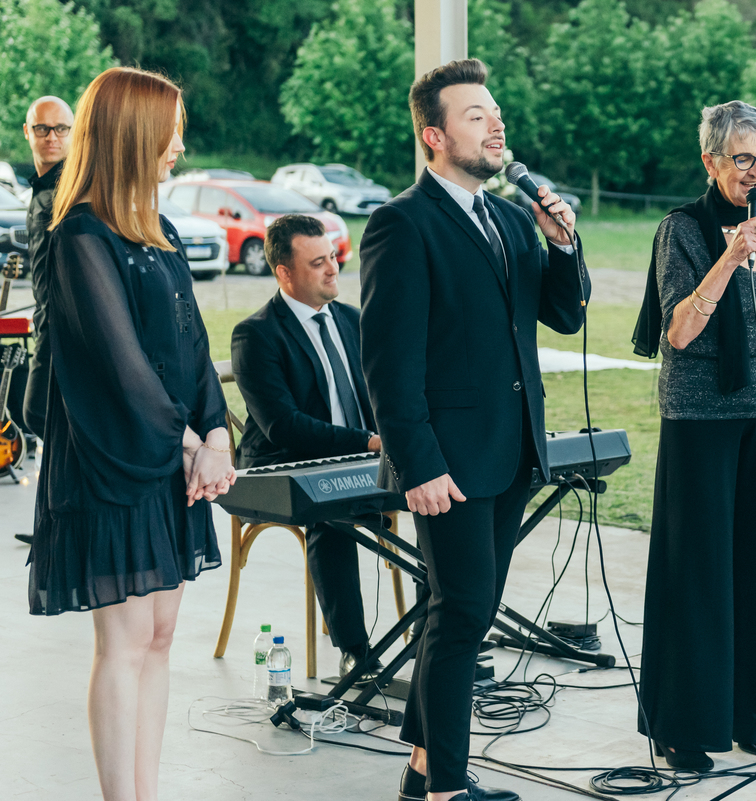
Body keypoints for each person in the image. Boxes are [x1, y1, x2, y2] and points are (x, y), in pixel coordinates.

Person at [359, 58, 589, 801]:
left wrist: (562, 243)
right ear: (433, 135)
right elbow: (389, 363)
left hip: (512, 448)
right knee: (460, 614)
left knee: (467, 610)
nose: (494, 125)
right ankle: (447, 788)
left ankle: (425, 768)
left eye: (495, 113)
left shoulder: (510, 218)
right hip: (447, 461)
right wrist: (417, 463)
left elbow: (565, 313)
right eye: (473, 115)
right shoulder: (402, 223)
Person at [27, 67, 234, 799]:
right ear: (134, 133)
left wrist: (219, 432)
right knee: (122, 643)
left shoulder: (161, 227)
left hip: (174, 459)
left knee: (160, 638)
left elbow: (192, 349)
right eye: (170, 128)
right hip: (116, 463)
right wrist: (192, 445)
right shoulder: (80, 231)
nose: (179, 143)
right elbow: (121, 367)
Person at [630, 100, 756, 772]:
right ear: (711, 162)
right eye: (743, 159)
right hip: (700, 421)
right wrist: (729, 258)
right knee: (699, 575)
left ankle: (755, 714)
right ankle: (685, 724)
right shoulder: (681, 229)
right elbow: (679, 330)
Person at [231, 213, 384, 681]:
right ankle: (355, 649)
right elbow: (285, 427)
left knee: (443, 496)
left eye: (333, 257)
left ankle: (438, 633)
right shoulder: (255, 335)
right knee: (331, 513)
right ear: (284, 272)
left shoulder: (353, 320)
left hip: (364, 457)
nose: (333, 269)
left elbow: (382, 396)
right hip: (283, 468)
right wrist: (369, 442)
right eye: (318, 262)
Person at [13, 96, 73, 546]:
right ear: (27, 132)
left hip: (65, 330)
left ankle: (65, 520)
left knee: (39, 413)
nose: (51, 137)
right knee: (50, 419)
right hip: (46, 322)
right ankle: (56, 521)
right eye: (42, 128)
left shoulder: (70, 191)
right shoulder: (40, 187)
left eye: (61, 129)